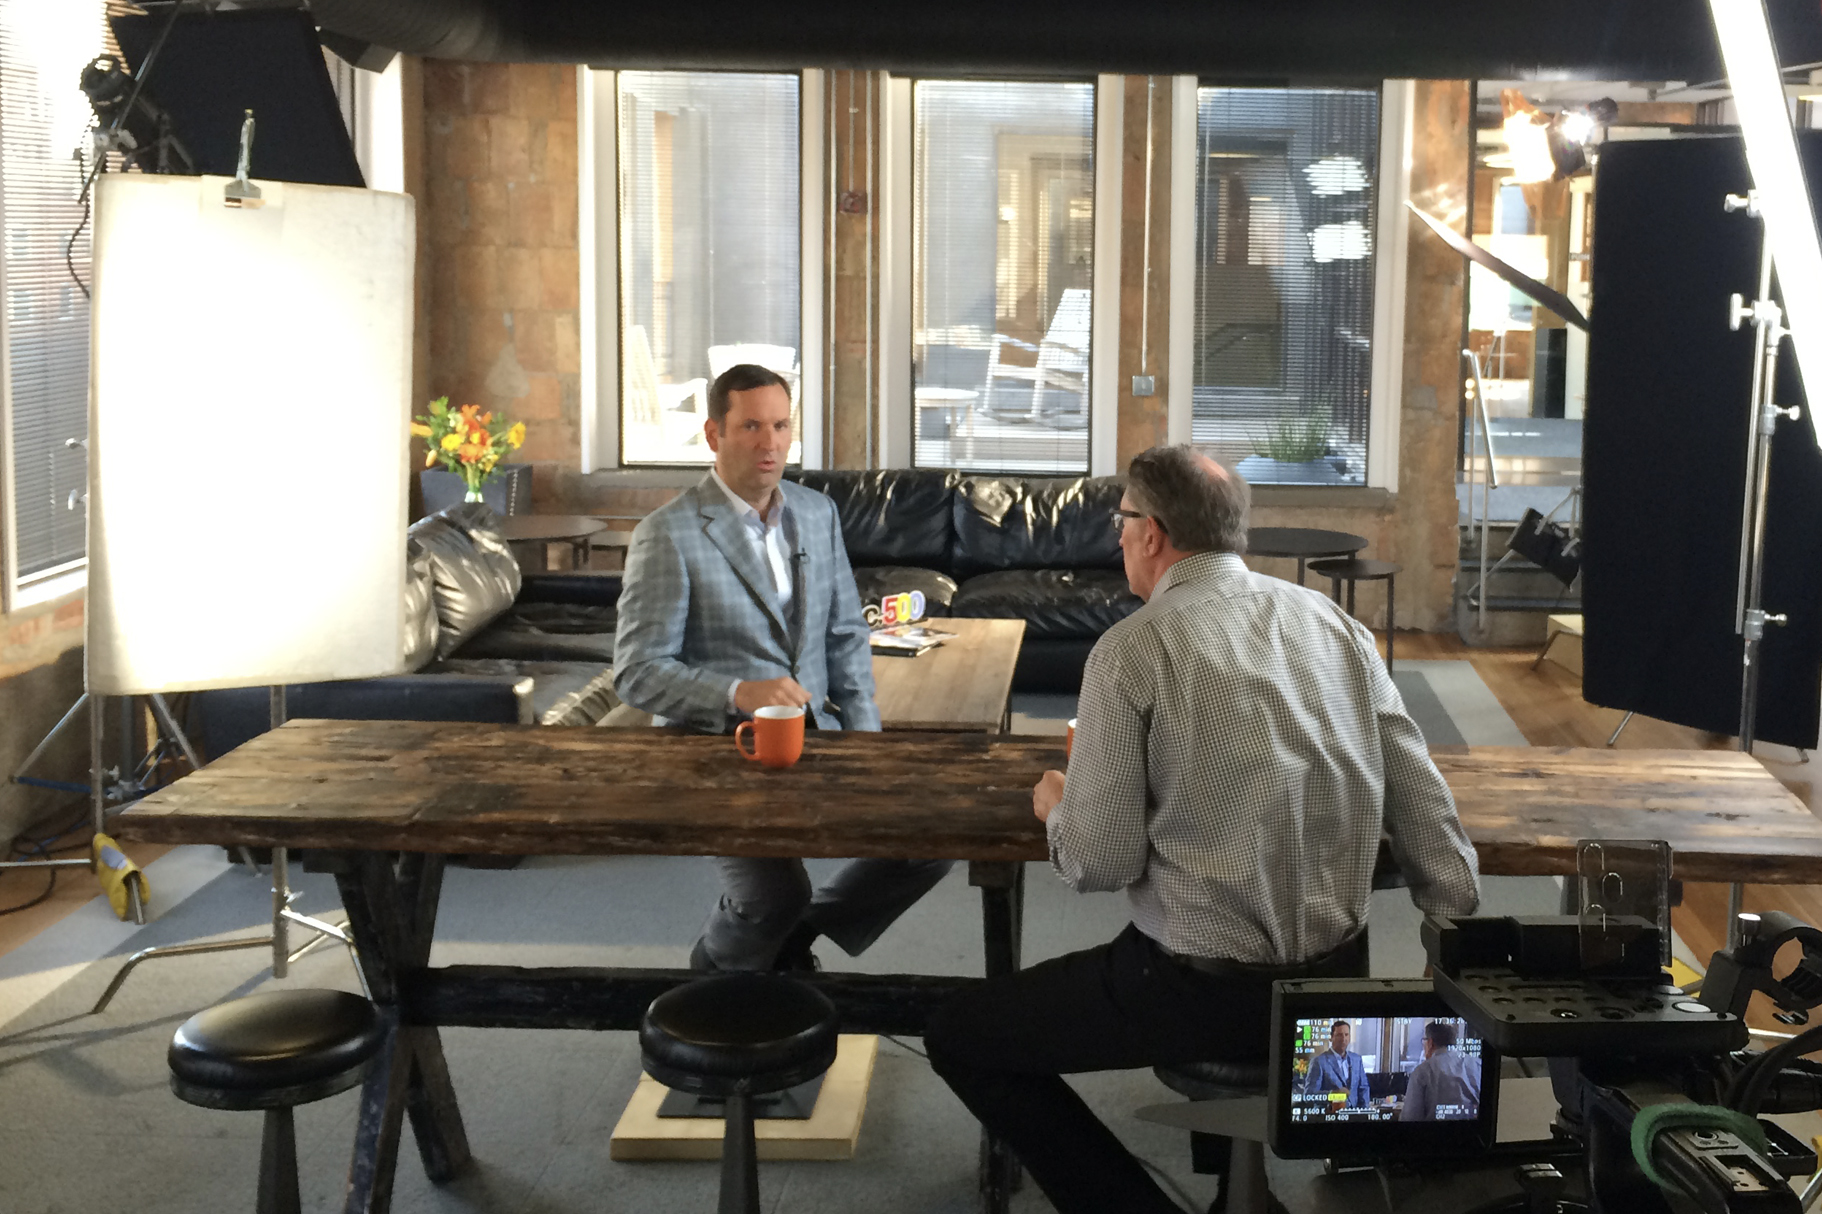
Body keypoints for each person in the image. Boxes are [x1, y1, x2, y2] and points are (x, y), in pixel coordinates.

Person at [924, 444, 1481, 1214]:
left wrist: (1058, 804)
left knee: (961, 1034)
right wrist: (1452, 954)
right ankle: (1234, 1187)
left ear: (1151, 533)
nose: (1117, 538)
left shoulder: (1131, 651)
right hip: (1338, 977)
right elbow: (1425, 804)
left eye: (1120, 522)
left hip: (1197, 990)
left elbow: (1098, 862)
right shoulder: (1334, 627)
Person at [613, 364, 950, 972]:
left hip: (816, 738)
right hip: (720, 753)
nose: (770, 443)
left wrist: (866, 744)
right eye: (751, 426)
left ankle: (793, 939)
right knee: (774, 894)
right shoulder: (666, 534)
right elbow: (637, 672)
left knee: (928, 843)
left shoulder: (816, 512)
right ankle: (711, 973)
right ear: (714, 435)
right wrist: (738, 692)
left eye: (780, 425)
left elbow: (846, 634)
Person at [1400, 1020, 1482, 1121]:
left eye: (1424, 1041)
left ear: (1430, 1043)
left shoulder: (1422, 1072)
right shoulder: (1477, 1064)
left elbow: (1410, 1118)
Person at [1303, 1020, 1370, 1108]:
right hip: (1330, 1116)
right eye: (1339, 1035)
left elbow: (1364, 1088)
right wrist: (1333, 1095)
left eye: (1346, 1035)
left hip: (1355, 1115)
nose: (1343, 1039)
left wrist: (1364, 1113)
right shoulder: (1319, 1062)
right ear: (1331, 1038)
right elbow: (1309, 1095)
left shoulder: (1356, 1059)